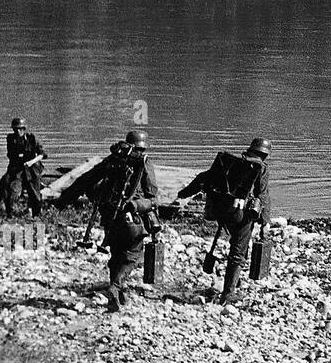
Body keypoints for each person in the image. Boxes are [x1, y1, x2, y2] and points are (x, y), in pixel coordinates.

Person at [179, 137, 273, 306]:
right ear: (265, 154)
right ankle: (228, 295)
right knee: (237, 254)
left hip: (222, 212)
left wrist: (183, 194)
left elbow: (204, 178)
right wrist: (265, 222)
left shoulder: (230, 162)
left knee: (236, 246)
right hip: (242, 216)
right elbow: (262, 195)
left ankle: (234, 283)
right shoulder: (261, 168)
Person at [101, 130, 160, 312]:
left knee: (116, 254)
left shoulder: (114, 160)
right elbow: (152, 196)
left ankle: (118, 296)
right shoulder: (144, 162)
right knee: (132, 256)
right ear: (143, 147)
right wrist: (138, 205)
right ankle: (116, 287)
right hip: (131, 219)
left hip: (110, 216)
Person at [0, 117, 46, 217]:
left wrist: (31, 161)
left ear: (24, 129)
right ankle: (9, 214)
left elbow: (42, 154)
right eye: (16, 129)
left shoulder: (31, 138)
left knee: (35, 196)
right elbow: (11, 155)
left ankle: (37, 216)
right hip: (17, 169)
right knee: (8, 189)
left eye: (20, 129)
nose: (18, 131)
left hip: (32, 170)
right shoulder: (11, 139)